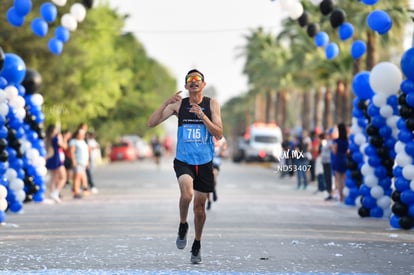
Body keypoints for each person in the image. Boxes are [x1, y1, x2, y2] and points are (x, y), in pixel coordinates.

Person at [147, 69, 223, 264]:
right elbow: (151, 123)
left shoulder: (211, 104)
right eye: (190, 79)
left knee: (199, 208)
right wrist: (166, 103)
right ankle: (182, 224)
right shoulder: (179, 106)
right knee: (187, 194)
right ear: (186, 86)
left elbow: (219, 134)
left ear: (203, 85)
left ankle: (197, 243)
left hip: (205, 162)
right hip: (184, 161)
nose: (194, 81)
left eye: (198, 79)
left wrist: (203, 116)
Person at [45, 124, 67, 203]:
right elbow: (64, 146)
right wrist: (65, 138)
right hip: (56, 158)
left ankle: (52, 194)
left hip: (50, 158)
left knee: (54, 178)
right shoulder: (56, 138)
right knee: (63, 177)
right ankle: (56, 193)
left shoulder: (47, 138)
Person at [207, 136, 227, 210]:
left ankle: (214, 190)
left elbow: (224, 146)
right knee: (208, 181)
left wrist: (222, 151)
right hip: (206, 160)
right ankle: (209, 200)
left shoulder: (221, 137)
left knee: (213, 178)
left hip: (216, 161)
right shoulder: (206, 135)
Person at [69, 127, 89, 199]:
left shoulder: (83, 141)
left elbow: (86, 152)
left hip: (83, 162)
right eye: (81, 134)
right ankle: (76, 191)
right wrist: (74, 161)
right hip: (78, 162)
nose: (83, 136)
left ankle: (82, 189)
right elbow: (72, 152)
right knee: (77, 177)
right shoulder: (74, 141)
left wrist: (87, 161)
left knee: (82, 176)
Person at [331, 123, 349, 203]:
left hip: (338, 158)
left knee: (338, 179)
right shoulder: (346, 141)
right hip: (345, 158)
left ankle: (341, 196)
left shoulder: (336, 141)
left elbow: (334, 151)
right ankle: (345, 196)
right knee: (344, 178)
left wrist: (332, 148)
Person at [319, 131, 334, 200]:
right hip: (324, 161)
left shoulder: (331, 142)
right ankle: (328, 192)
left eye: (328, 135)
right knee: (326, 177)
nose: (326, 136)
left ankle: (331, 192)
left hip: (329, 161)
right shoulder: (325, 142)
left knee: (329, 177)